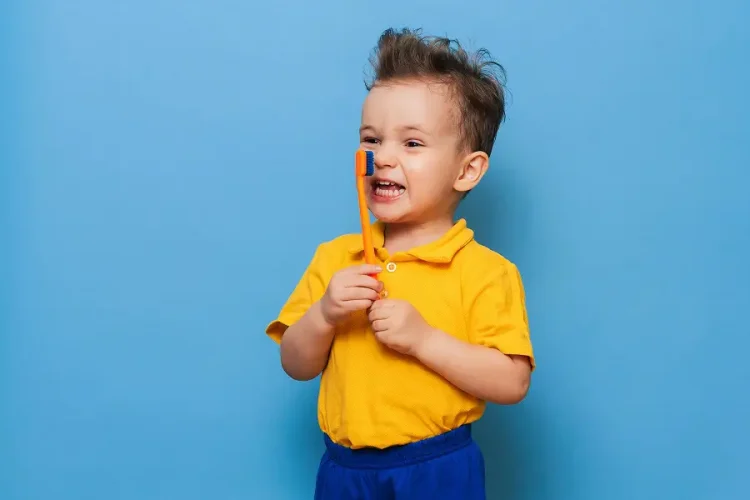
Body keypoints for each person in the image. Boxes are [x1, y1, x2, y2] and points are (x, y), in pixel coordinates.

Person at [265, 27, 535, 500]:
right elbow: (295, 364)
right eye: (372, 139)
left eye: (412, 144)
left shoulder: (487, 272)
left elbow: (512, 382)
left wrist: (423, 339)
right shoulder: (336, 258)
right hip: (345, 470)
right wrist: (325, 314)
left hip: (437, 468)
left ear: (466, 169)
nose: (383, 158)